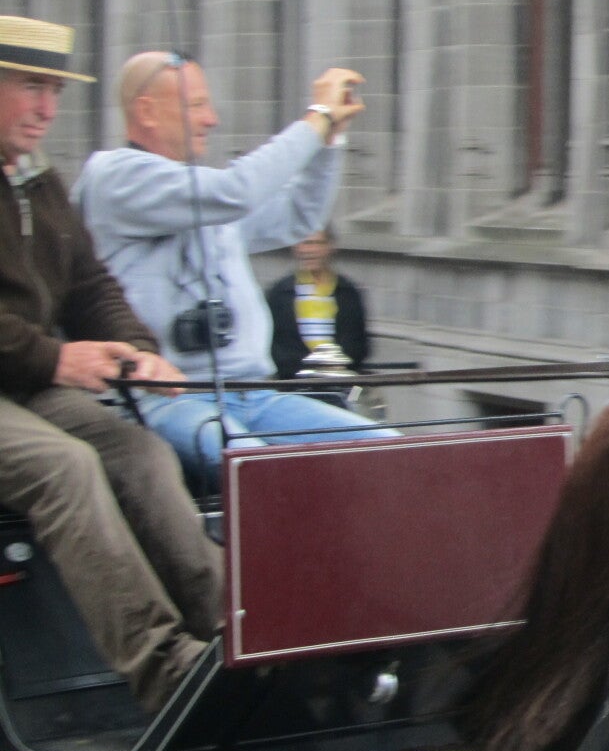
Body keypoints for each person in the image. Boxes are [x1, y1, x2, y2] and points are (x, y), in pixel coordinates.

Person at [0, 18, 223, 713]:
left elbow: (90, 286)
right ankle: (165, 665)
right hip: (25, 378)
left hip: (23, 384)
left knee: (139, 451)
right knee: (64, 467)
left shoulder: (37, 181)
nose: (47, 108)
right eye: (32, 87)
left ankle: (234, 630)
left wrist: (136, 351)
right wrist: (55, 357)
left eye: (55, 91)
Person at [74, 53, 396, 492]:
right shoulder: (115, 176)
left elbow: (299, 216)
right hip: (164, 399)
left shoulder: (203, 193)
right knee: (256, 474)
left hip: (252, 393)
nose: (212, 119)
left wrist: (329, 140)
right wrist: (316, 117)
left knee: (388, 451)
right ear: (146, 111)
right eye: (196, 105)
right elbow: (237, 192)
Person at [266, 227, 372, 379]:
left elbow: (357, 343)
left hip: (338, 381)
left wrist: (332, 367)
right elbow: (275, 345)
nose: (310, 250)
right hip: (292, 382)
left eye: (317, 243)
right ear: (295, 247)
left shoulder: (348, 292)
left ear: (330, 247)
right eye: (305, 243)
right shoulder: (280, 293)